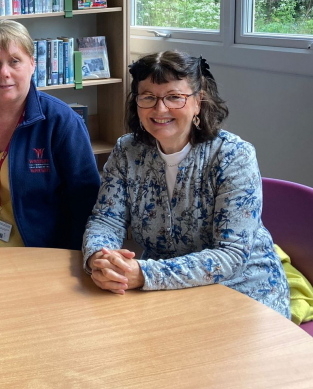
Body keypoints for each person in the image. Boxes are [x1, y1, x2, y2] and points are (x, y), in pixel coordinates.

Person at [82, 50, 290, 318]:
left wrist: (144, 274)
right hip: (165, 294)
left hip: (242, 293)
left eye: (174, 97)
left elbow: (231, 256)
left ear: (198, 102)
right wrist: (100, 259)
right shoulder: (127, 150)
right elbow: (106, 220)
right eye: (148, 97)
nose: (160, 109)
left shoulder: (234, 156)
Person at [0, 20, 100, 248]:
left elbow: (86, 203)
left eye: (14, 61)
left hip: (39, 258)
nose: (4, 73)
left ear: (32, 64)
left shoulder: (62, 122)